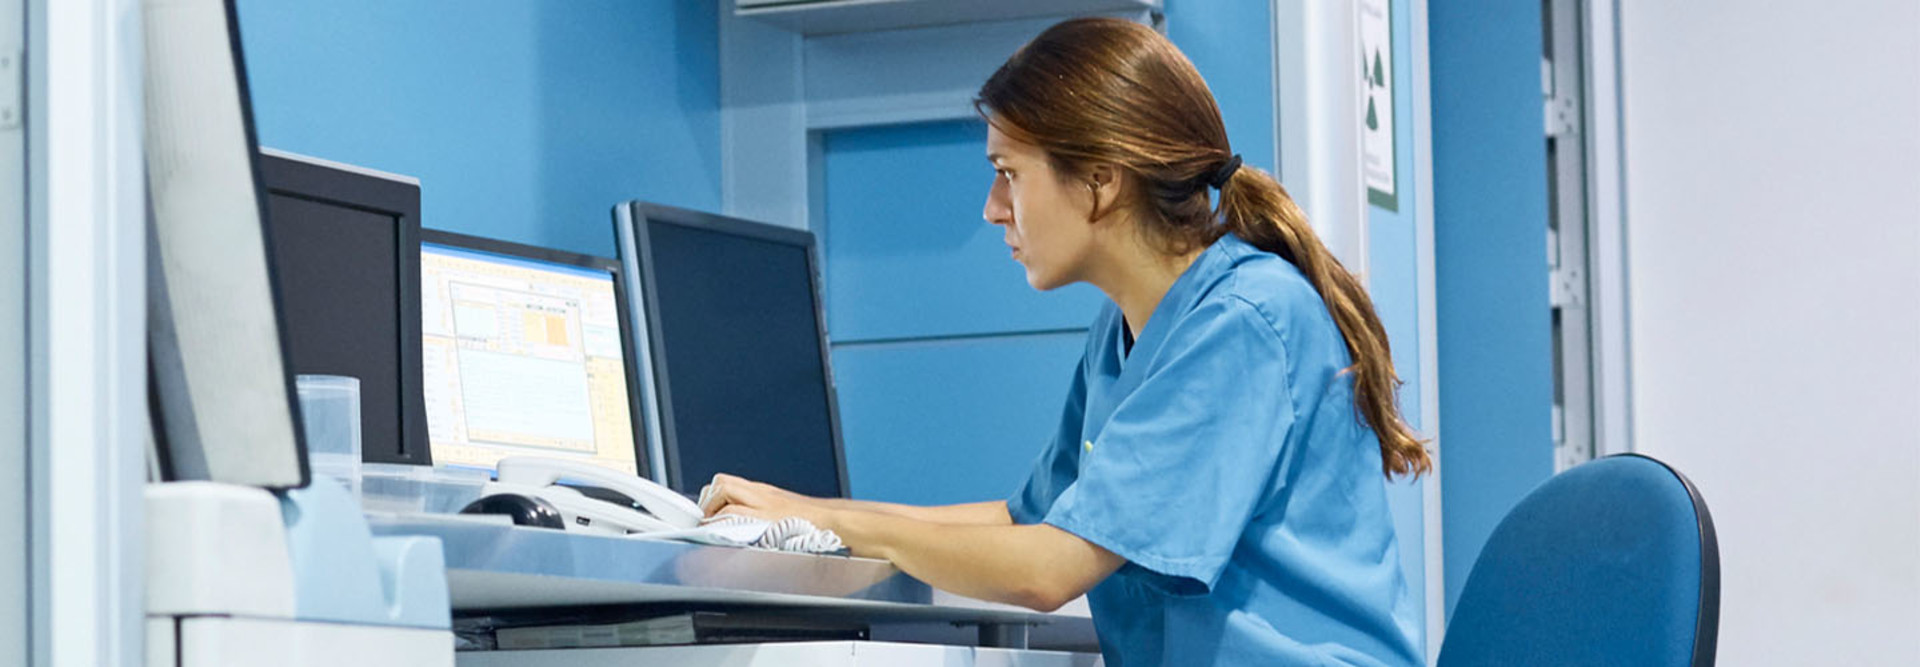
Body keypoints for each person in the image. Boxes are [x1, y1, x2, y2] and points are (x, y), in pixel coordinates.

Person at [697, 16, 1431, 667]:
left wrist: (830, 522)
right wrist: (799, 510)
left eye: (1008, 175)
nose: (993, 210)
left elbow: (1047, 567)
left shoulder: (1243, 321)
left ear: (1100, 182)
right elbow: (1028, 519)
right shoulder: (1127, 328)